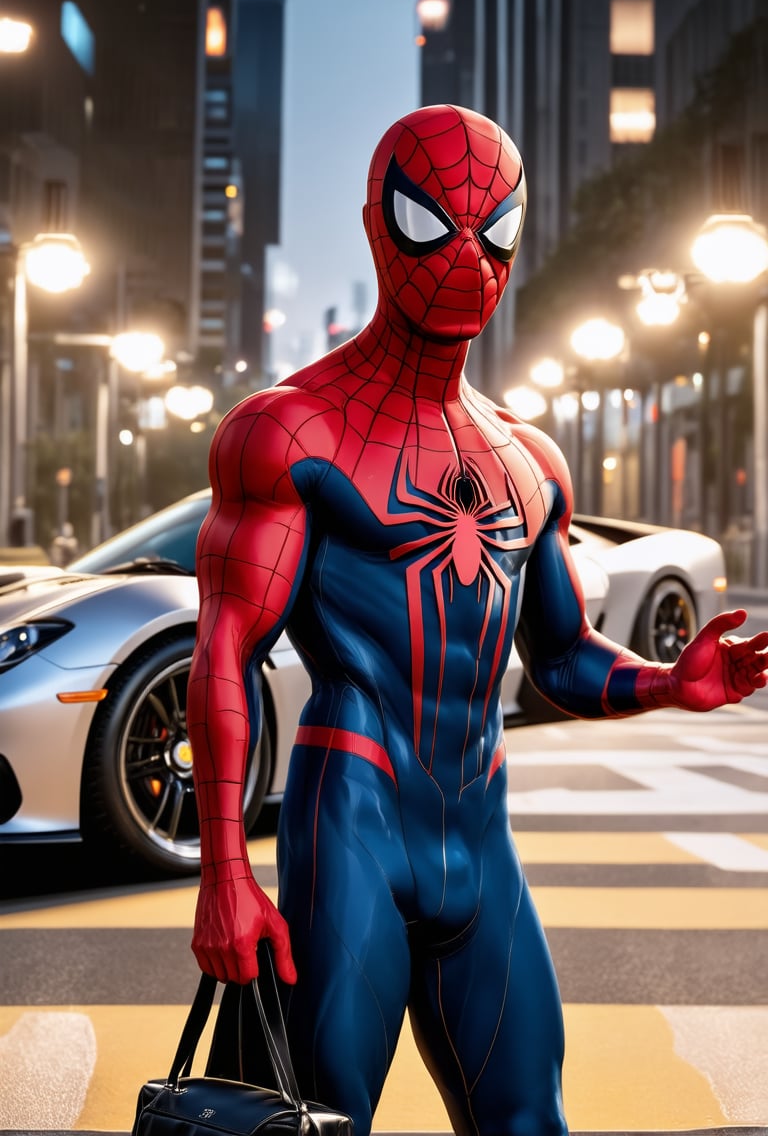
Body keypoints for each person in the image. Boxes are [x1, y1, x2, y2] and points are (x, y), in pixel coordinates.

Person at [188, 105, 768, 1136]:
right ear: (378, 224)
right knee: (318, 1121)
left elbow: (561, 655)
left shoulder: (531, 459)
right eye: (430, 223)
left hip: (480, 841)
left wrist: (672, 684)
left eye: (491, 231)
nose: (466, 256)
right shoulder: (290, 431)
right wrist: (226, 873)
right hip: (352, 826)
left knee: (529, 1119)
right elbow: (225, 651)